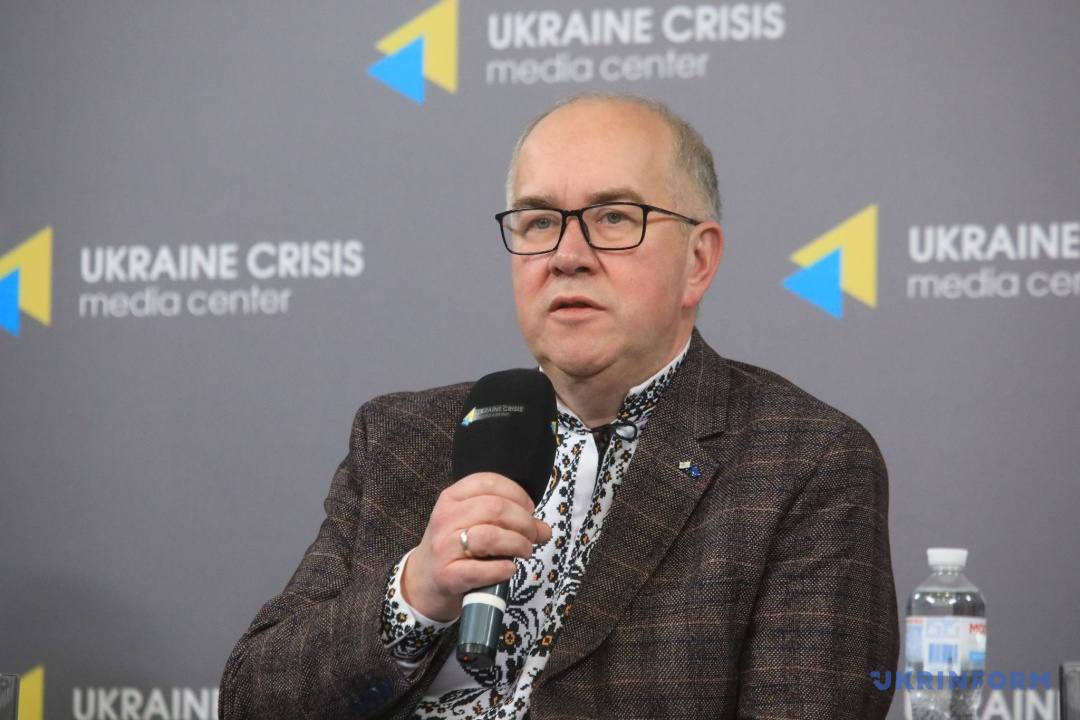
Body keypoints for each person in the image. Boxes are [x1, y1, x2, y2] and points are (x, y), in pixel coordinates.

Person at [219, 93, 899, 719]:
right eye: (540, 221)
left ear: (698, 261)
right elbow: (251, 701)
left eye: (613, 217)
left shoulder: (803, 462)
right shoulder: (402, 437)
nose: (567, 256)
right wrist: (414, 595)